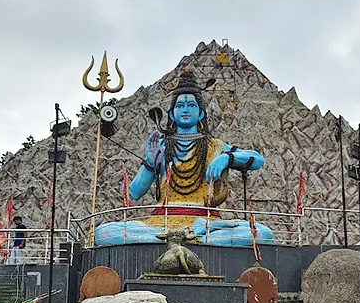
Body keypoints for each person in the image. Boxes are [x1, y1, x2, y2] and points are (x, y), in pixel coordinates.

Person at [94, 70, 273, 247]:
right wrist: (150, 162)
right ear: (172, 114)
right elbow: (135, 193)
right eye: (180, 106)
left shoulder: (215, 146)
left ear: (201, 113)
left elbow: (257, 160)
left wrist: (227, 158)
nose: (185, 110)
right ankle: (188, 240)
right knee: (103, 233)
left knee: (263, 233)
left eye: (191, 105)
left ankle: (191, 238)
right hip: (161, 222)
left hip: (205, 223)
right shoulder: (163, 147)